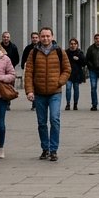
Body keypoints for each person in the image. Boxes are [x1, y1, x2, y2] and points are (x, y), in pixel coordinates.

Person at [25, 26, 71, 161]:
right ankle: (45, 148)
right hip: (39, 93)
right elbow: (29, 73)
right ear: (39, 37)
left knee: (54, 119)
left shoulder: (59, 52)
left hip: (55, 92)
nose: (45, 38)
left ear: (52, 37)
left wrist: (59, 81)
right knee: (41, 122)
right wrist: (29, 91)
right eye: (43, 36)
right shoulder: (33, 53)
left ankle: (54, 149)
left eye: (48, 36)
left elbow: (67, 69)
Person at [20, 31, 40, 110]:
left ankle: (37, 103)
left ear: (38, 38)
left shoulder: (41, 47)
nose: (34, 39)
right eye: (33, 38)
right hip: (31, 69)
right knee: (33, 86)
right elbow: (24, 58)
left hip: (39, 70)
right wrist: (23, 66)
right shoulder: (28, 48)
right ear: (31, 39)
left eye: (36, 38)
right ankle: (34, 104)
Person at [65, 37, 86, 110]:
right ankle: (68, 104)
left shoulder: (79, 53)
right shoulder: (66, 52)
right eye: (71, 44)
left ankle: (75, 104)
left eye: (74, 44)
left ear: (77, 45)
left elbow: (84, 63)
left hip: (77, 74)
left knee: (76, 89)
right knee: (68, 88)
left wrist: (78, 59)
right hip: (68, 74)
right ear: (69, 45)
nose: (73, 45)